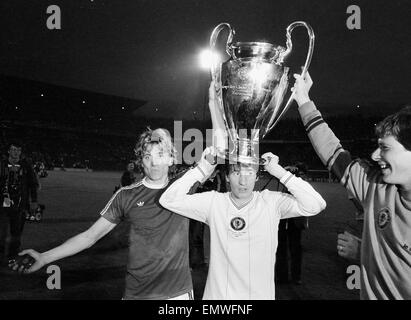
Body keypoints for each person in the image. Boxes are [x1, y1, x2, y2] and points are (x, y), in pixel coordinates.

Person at [13, 128, 194, 300]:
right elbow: (90, 236)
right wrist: (45, 257)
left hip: (178, 294)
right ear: (141, 161)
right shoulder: (126, 195)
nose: (154, 163)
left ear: (171, 159)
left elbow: (216, 155)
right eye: (148, 156)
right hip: (137, 294)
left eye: (160, 155)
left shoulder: (184, 186)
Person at [292, 71, 411, 299]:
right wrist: (304, 100)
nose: (375, 155)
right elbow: (334, 153)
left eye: (385, 148)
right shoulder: (375, 185)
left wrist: (365, 253)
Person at [159, 147, 326, 299]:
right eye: (237, 173)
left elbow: (316, 204)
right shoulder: (213, 203)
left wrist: (280, 172)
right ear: (226, 176)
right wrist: (202, 169)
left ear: (257, 176)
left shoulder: (271, 203)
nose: (243, 181)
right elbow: (168, 200)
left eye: (249, 173)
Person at [0, 142, 38, 264]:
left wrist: (34, 201)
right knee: (1, 232)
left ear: (20, 152)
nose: (16, 152)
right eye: (13, 149)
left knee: (16, 233)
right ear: (8, 151)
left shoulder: (26, 165)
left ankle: (12, 255)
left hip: (19, 205)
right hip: (2, 205)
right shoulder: (2, 164)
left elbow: (33, 184)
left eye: (18, 150)